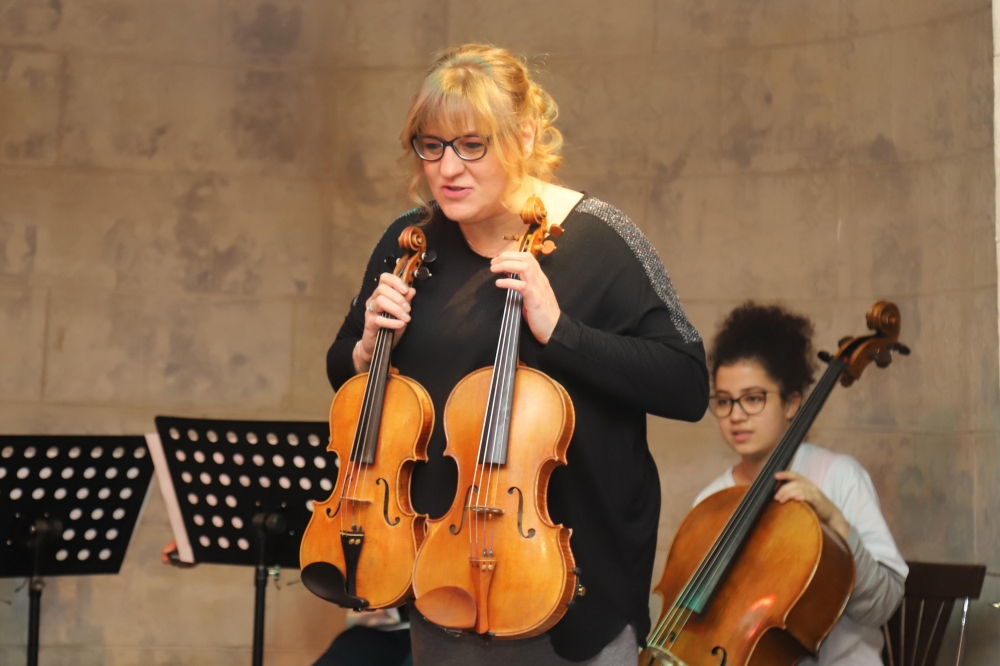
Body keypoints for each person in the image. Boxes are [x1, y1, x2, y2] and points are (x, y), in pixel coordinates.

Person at [325, 44, 708, 664]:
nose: (447, 168)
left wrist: (560, 330)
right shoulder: (410, 240)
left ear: (524, 136)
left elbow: (687, 385)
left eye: (472, 145)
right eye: (431, 145)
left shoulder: (601, 239)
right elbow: (340, 366)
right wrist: (366, 349)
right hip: (441, 580)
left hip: (573, 589)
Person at [696, 302, 907, 665]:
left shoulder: (840, 477)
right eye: (725, 401)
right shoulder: (713, 500)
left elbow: (883, 606)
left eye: (753, 399)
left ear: (792, 403)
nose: (736, 415)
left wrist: (836, 523)